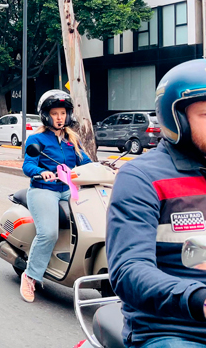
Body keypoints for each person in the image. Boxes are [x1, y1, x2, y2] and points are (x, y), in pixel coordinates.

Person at [107, 59, 206, 347]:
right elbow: (129, 269)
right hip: (174, 330)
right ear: (176, 120)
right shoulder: (141, 178)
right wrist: (197, 299)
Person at [19, 90, 91, 302]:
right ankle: (30, 276)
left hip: (68, 189)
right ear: (46, 116)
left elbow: (86, 163)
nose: (59, 117)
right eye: (54, 113)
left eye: (62, 113)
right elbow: (28, 165)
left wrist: (103, 169)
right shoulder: (36, 139)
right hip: (44, 189)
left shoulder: (72, 140)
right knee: (48, 233)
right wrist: (41, 172)